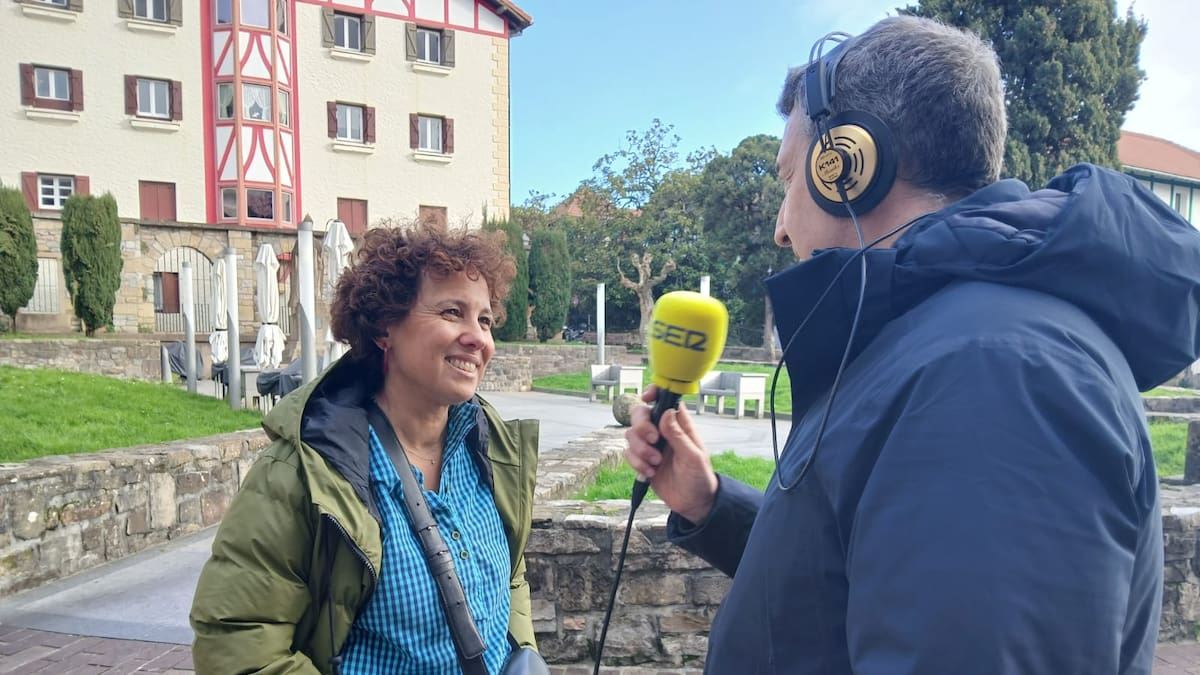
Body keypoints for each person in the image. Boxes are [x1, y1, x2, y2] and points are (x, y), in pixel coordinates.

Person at [624, 15, 1200, 674]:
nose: (782, 227)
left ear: (849, 165)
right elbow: (856, 575)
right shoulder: (942, 350)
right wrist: (709, 502)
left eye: (788, 180)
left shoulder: (991, 374)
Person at [191, 224, 540, 674]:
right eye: (453, 312)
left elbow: (512, 576)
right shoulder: (307, 470)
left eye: (485, 319)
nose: (478, 338)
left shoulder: (489, 450)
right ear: (384, 328)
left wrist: (522, 652)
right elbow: (236, 642)